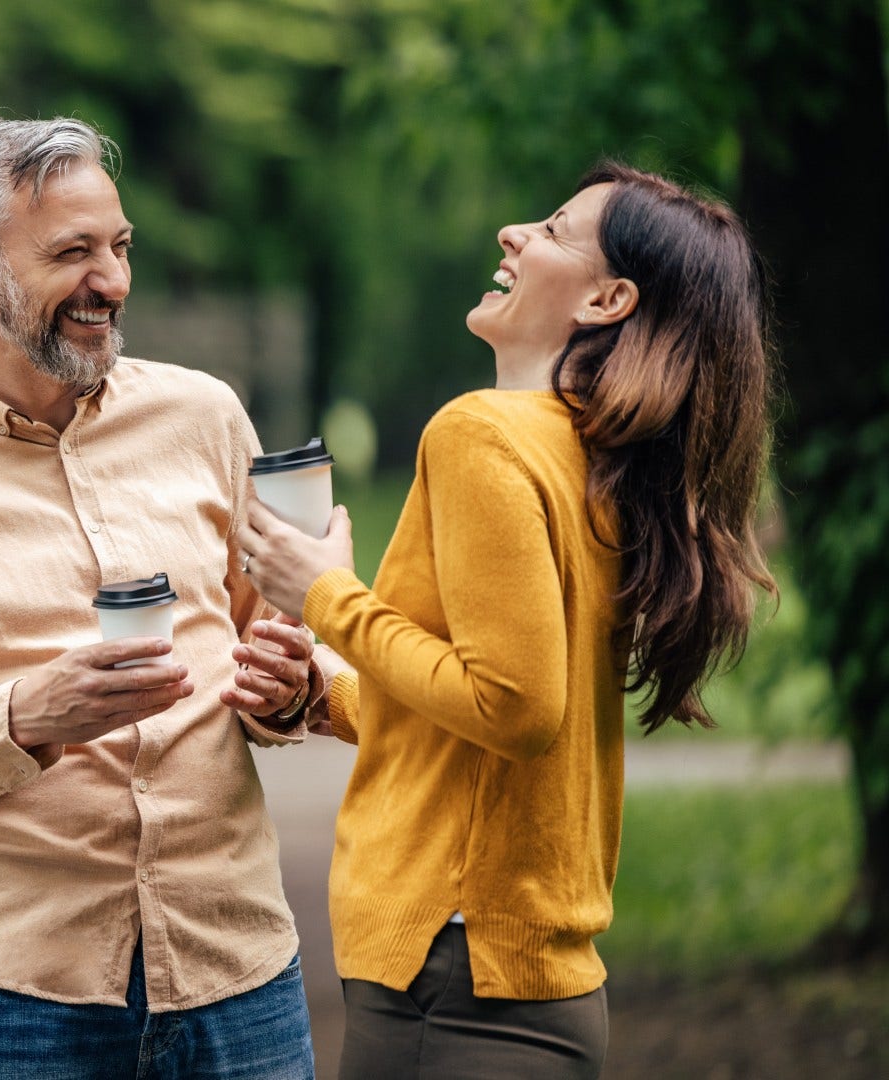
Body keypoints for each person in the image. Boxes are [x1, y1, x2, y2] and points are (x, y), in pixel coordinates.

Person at [0, 115, 322, 1079]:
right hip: (11, 1003)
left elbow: (276, 638)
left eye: (120, 247)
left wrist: (291, 687)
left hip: (237, 976)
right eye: (72, 253)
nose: (113, 282)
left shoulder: (204, 416)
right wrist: (25, 717)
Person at [238, 161, 775, 1078]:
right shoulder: (589, 456)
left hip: (449, 980)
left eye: (556, 231)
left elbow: (517, 706)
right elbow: (486, 707)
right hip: (525, 980)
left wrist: (324, 593)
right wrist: (321, 698)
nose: (512, 234)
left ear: (608, 298)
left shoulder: (479, 435)